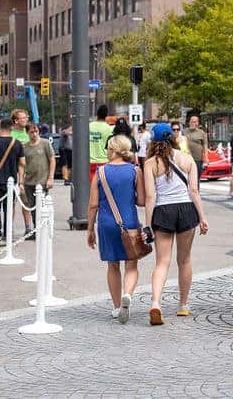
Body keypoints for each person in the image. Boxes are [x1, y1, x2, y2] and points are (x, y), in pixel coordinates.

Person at [143, 123, 209, 325]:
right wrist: (202, 217)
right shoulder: (187, 159)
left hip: (163, 211)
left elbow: (150, 197)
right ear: (173, 138)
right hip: (186, 209)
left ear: (153, 141)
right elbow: (194, 191)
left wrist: (148, 225)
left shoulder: (150, 164)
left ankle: (155, 302)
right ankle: (183, 305)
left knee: (162, 262)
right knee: (184, 260)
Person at [88, 134, 146, 324]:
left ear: (113, 150)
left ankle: (116, 307)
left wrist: (90, 229)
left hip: (106, 223)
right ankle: (127, 294)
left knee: (112, 265)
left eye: (108, 148)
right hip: (129, 222)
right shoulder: (135, 170)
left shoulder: (100, 172)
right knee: (131, 264)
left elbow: (93, 205)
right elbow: (141, 200)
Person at [19, 122, 55, 238]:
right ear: (27, 133)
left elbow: (52, 160)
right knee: (32, 207)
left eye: (36, 132)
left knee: (42, 206)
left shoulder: (45, 143)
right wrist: (21, 181)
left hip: (42, 181)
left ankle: (44, 230)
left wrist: (50, 178)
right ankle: (36, 229)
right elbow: (22, 165)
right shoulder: (25, 147)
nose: (34, 134)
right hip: (29, 181)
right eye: (31, 132)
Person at [89, 105, 114, 180]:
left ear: (97, 114)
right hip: (104, 162)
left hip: (90, 161)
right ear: (106, 115)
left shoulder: (89, 126)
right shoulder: (109, 129)